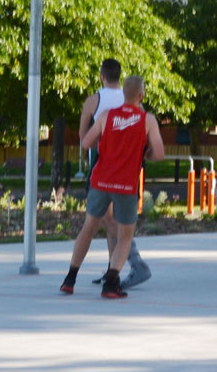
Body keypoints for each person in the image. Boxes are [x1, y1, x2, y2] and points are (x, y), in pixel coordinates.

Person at [61, 75, 165, 298]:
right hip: (126, 185)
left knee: (88, 227)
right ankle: (111, 283)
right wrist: (145, 152)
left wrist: (109, 145)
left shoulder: (107, 116)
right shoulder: (147, 120)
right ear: (141, 95)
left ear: (123, 95)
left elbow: (86, 142)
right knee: (124, 236)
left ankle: (70, 279)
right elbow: (159, 153)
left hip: (100, 180)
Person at [78, 59, 151, 289]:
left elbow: (84, 138)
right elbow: (145, 135)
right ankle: (114, 270)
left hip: (104, 165)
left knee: (106, 219)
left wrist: (104, 137)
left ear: (102, 76)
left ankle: (134, 262)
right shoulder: (131, 99)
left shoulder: (94, 101)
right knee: (114, 219)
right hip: (130, 168)